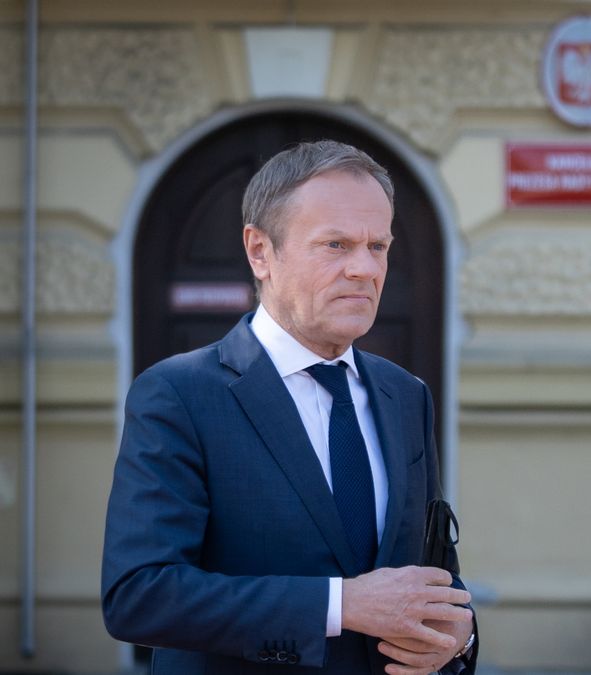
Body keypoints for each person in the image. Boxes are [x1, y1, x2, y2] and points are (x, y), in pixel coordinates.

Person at [102, 140, 477, 675]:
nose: (365, 269)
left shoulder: (405, 396)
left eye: (378, 246)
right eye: (336, 245)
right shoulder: (179, 394)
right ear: (260, 251)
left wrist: (459, 635)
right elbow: (140, 596)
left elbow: (433, 571)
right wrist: (341, 604)